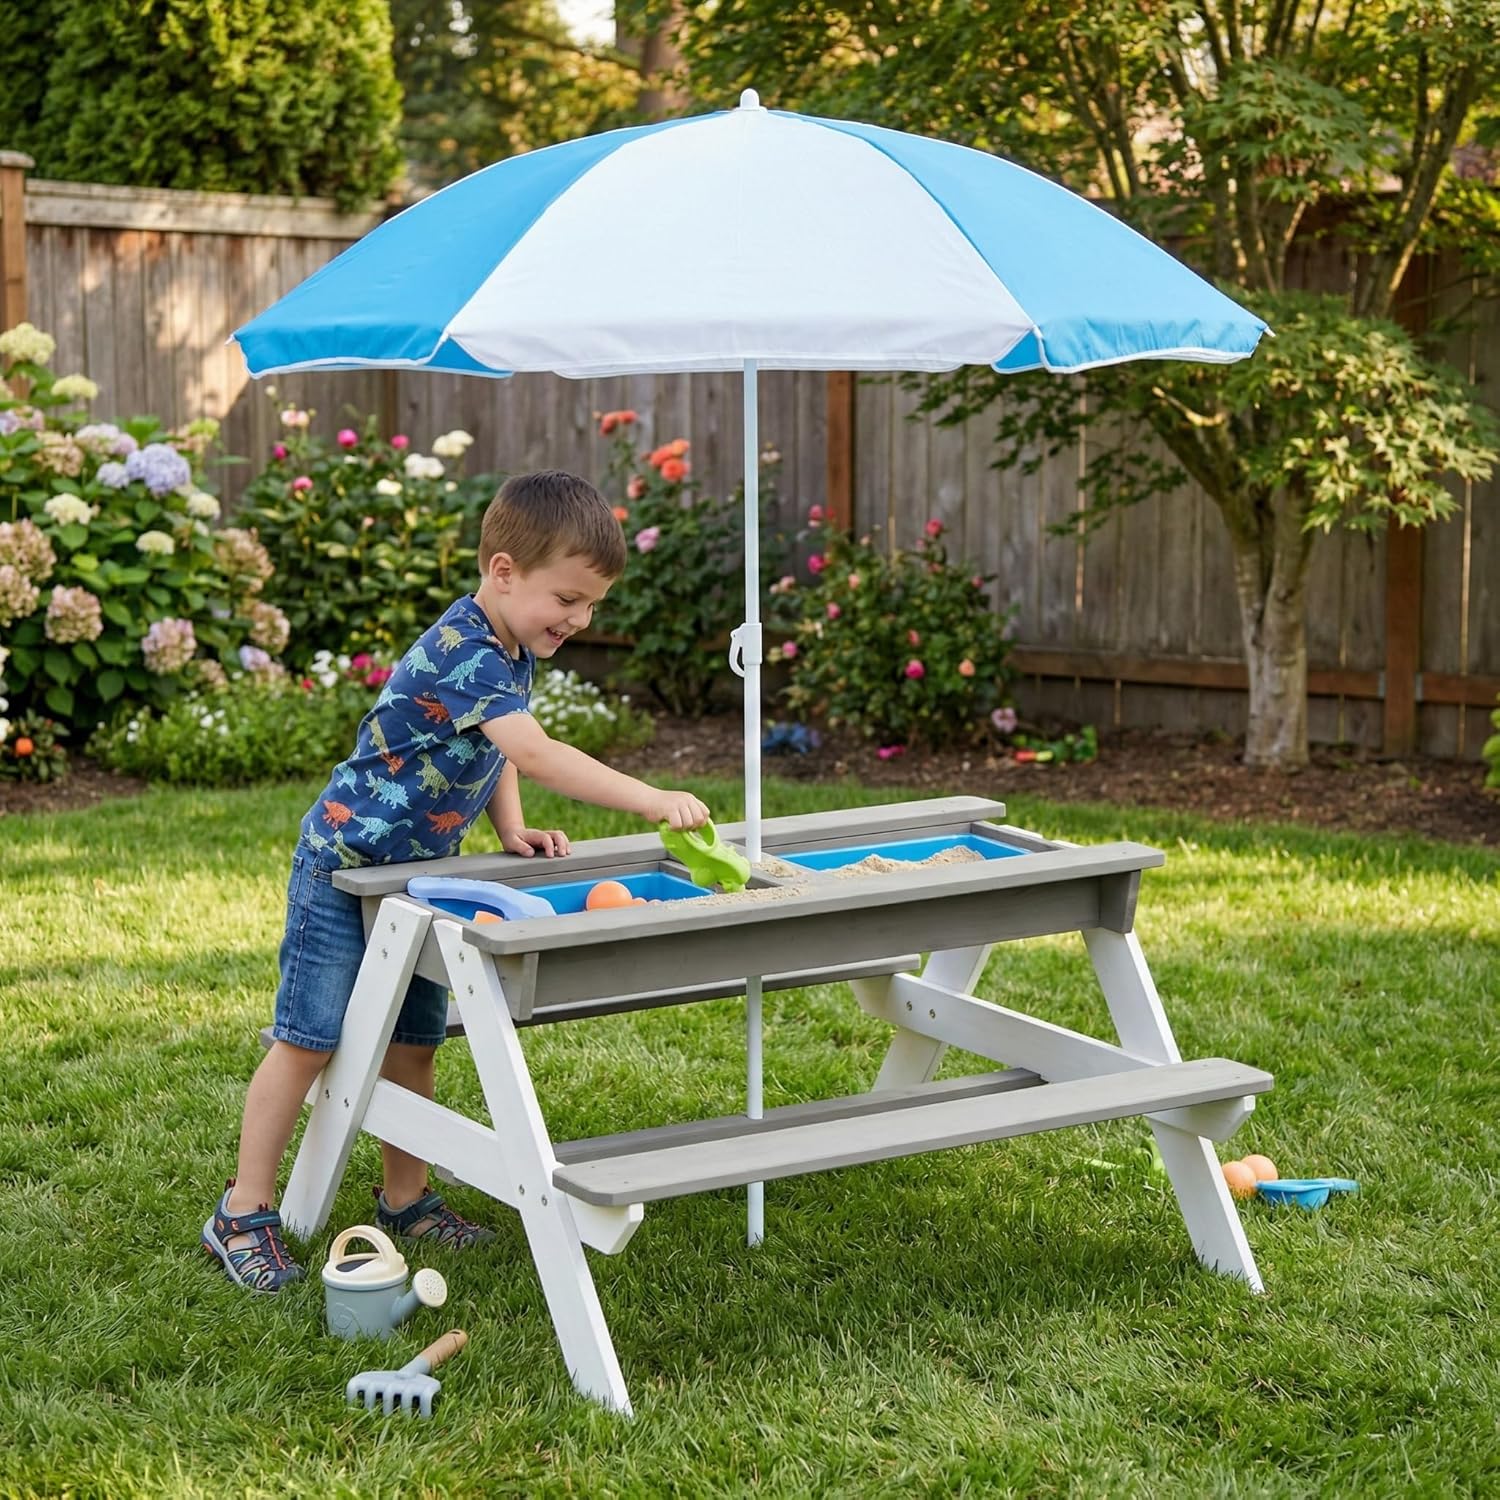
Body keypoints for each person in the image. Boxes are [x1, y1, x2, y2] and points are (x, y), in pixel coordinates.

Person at [203, 470, 710, 1291]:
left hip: (416, 883)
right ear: (505, 571)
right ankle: (243, 1212)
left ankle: (407, 1198)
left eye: (592, 606)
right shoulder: (463, 648)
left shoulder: (510, 646)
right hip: (344, 871)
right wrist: (648, 798)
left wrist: (508, 824)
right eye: (569, 599)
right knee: (308, 1042)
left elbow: (499, 748)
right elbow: (537, 748)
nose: (579, 621)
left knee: (413, 1044)